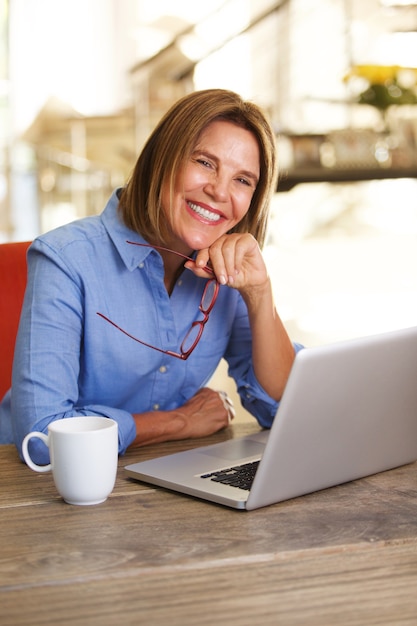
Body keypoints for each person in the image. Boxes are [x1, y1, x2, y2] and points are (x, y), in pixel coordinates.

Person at [0, 88, 303, 464]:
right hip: (40, 489)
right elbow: (43, 435)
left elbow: (285, 410)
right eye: (205, 163)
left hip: (167, 478)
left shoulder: (226, 271)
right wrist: (176, 422)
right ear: (163, 158)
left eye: (243, 180)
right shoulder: (65, 259)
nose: (219, 191)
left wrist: (260, 294)